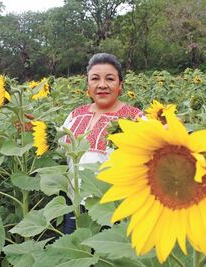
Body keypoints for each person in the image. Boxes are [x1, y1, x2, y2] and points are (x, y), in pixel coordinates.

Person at [61, 53, 144, 234]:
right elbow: (59, 144)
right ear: (88, 86)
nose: (102, 85)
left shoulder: (134, 117)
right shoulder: (76, 114)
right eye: (95, 79)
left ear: (120, 85)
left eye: (110, 79)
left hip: (114, 209)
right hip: (74, 205)